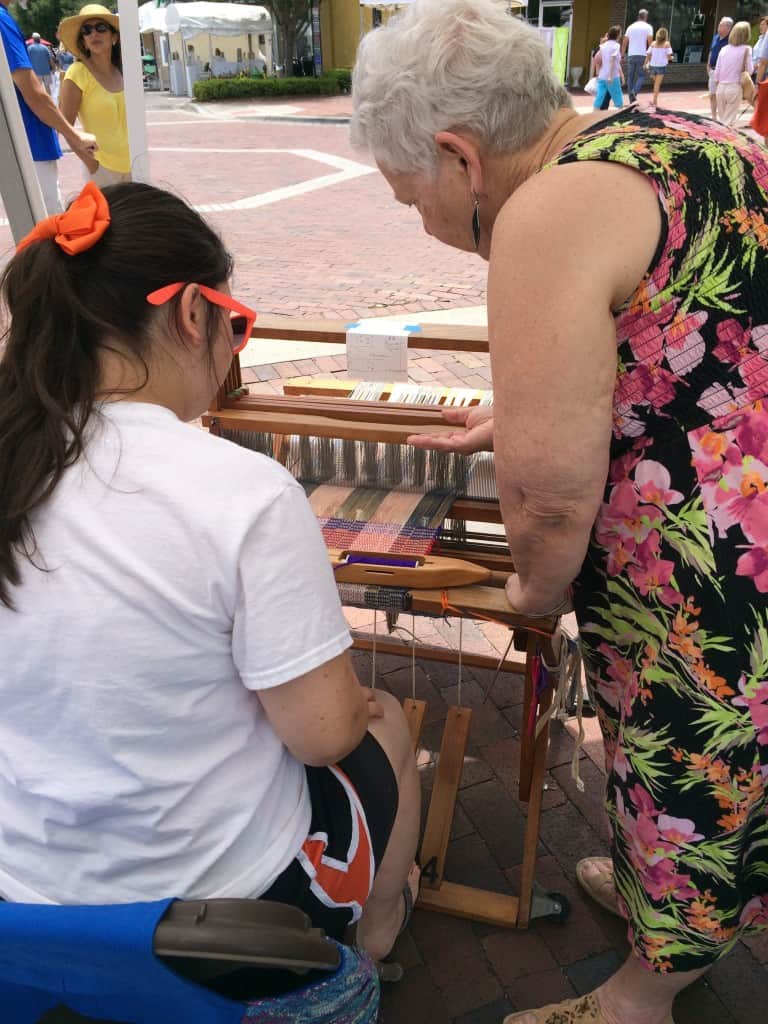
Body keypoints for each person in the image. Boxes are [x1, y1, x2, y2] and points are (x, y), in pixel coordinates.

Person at [350, 1, 768, 1021]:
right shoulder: (708, 141)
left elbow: (549, 489)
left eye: (413, 198)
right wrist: (534, 394)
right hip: (747, 522)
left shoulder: (546, 208)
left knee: (683, 769)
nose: (426, 221)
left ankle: (639, 994)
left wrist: (528, 591)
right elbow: (699, 327)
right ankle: (678, 908)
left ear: (461, 155)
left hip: (697, 573)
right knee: (740, 763)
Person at [0, 180, 420, 966]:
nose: (233, 348)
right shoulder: (242, 492)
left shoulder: (16, 460)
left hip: (24, 892)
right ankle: (378, 927)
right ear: (193, 314)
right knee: (382, 722)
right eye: (237, 324)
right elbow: (323, 732)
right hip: (220, 915)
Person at [0, 0, 96, 215]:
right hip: (28, 142)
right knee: (45, 224)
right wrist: (73, 135)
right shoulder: (2, 20)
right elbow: (33, 92)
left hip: (19, 143)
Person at [58, 4, 130, 185]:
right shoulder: (77, 73)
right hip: (102, 170)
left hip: (135, 164)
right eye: (87, 30)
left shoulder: (124, 71)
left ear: (114, 37)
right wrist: (93, 166)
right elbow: (65, 126)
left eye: (101, 28)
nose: (94, 34)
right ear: (83, 41)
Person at [714, 21, 754, 126]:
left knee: (722, 120)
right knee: (728, 122)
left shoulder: (724, 49)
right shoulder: (746, 49)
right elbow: (749, 70)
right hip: (734, 87)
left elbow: (717, 71)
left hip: (721, 87)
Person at [622, 9, 653, 102]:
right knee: (641, 76)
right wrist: (651, 56)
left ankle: (631, 99)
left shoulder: (630, 27)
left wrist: (622, 55)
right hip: (642, 55)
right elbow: (650, 43)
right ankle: (634, 92)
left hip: (631, 54)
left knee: (630, 77)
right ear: (646, 17)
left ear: (638, 16)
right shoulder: (648, 27)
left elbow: (624, 42)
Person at [708, 16, 734, 120]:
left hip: (723, 73)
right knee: (712, 94)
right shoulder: (715, 37)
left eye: (721, 25)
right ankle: (713, 117)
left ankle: (723, 117)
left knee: (722, 96)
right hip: (713, 70)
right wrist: (708, 66)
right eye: (719, 24)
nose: (718, 27)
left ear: (728, 28)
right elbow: (711, 51)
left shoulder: (731, 41)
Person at [593, 26, 624, 111]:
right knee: (618, 95)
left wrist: (597, 72)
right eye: (620, 34)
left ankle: (594, 113)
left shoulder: (603, 46)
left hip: (602, 75)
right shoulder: (616, 46)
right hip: (613, 75)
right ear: (617, 35)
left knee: (600, 95)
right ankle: (621, 114)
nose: (620, 35)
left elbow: (596, 58)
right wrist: (610, 75)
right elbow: (612, 60)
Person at [643, 27, 674, 110]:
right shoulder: (667, 44)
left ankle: (654, 100)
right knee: (657, 84)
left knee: (655, 82)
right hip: (661, 66)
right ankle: (655, 101)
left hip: (652, 66)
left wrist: (645, 64)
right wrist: (673, 58)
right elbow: (669, 57)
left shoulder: (653, 43)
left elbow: (648, 55)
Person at [26, 30, 55, 95]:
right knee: (47, 87)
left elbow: (27, 60)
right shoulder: (45, 48)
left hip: (36, 72)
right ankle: (50, 100)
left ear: (33, 39)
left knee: (38, 88)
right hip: (46, 71)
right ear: (39, 39)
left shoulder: (29, 48)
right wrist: (53, 68)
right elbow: (50, 60)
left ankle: (42, 102)